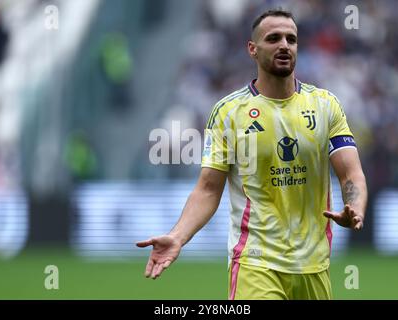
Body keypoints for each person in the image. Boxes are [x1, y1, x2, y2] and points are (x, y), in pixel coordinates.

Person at [137, 9, 367, 300]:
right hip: (255, 263)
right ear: (252, 49)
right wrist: (178, 236)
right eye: (273, 38)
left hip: (314, 265)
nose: (284, 44)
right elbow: (208, 189)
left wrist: (355, 207)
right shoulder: (229, 113)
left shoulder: (325, 105)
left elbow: (351, 172)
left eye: (291, 39)